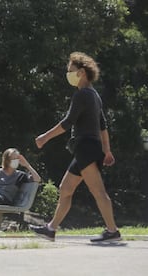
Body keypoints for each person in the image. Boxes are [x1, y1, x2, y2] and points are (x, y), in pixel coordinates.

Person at [30, 52, 121, 242]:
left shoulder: (82, 94)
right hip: (87, 148)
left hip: (86, 148)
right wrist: (107, 150)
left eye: (70, 70)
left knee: (98, 191)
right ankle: (51, 229)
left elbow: (68, 122)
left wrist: (44, 137)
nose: (68, 74)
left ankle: (112, 231)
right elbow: (103, 126)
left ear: (81, 72)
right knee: (66, 188)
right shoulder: (94, 95)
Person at [0, 148, 41, 238]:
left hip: (6, 199)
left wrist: (27, 165)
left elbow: (37, 179)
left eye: (17, 159)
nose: (16, 161)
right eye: (13, 159)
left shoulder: (21, 175)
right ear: (7, 160)